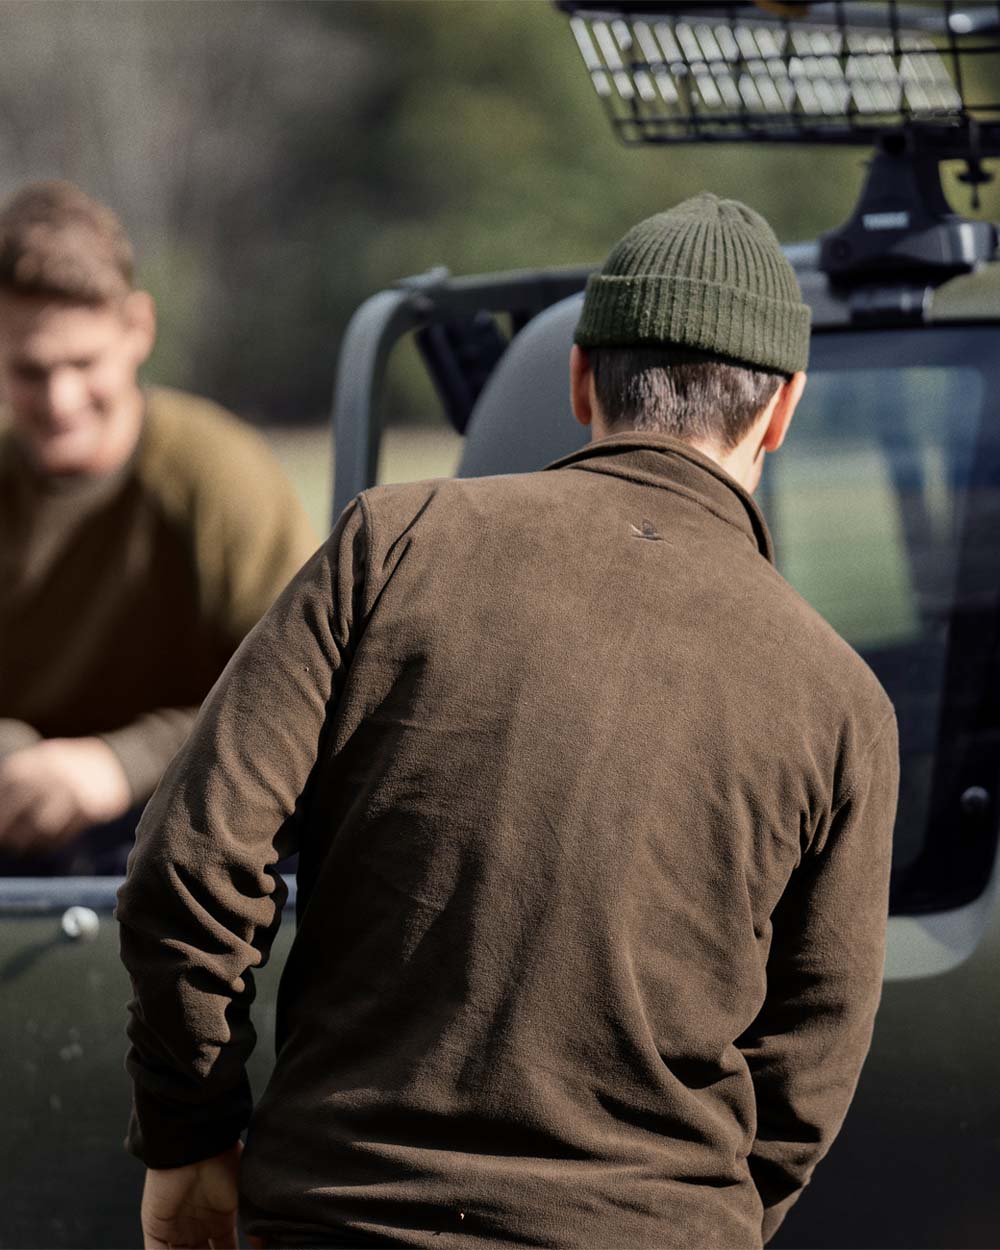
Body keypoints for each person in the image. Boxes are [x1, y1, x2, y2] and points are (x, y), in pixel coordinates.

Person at [117, 194, 899, 1250]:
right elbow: (809, 1059)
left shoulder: (393, 544)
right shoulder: (842, 698)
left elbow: (190, 860)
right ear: (783, 409)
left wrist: (190, 1131)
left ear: (581, 376)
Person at [0, 180, 318, 874]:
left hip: (189, 831)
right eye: (29, 370)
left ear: (137, 329)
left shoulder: (218, 475)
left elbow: (303, 695)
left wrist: (123, 763)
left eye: (83, 364)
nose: (60, 400)